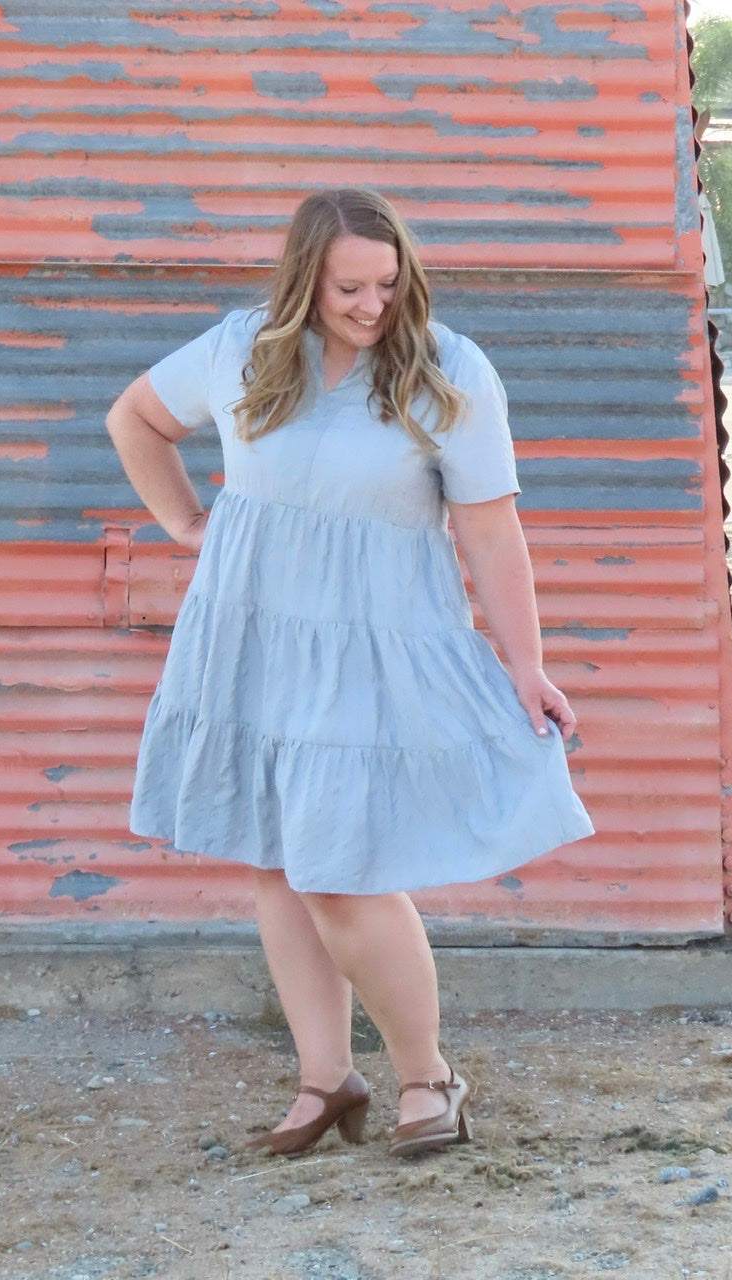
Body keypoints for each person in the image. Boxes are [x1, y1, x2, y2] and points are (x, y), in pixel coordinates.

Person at [106, 188, 593, 1159]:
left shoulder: (448, 368)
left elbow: (490, 526)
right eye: (348, 288)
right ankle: (326, 1078)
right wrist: (187, 524)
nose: (373, 304)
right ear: (303, 282)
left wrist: (525, 661)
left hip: (372, 646)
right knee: (278, 863)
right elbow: (135, 419)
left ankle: (429, 1074)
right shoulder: (244, 348)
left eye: (387, 280)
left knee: (342, 871)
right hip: (251, 639)